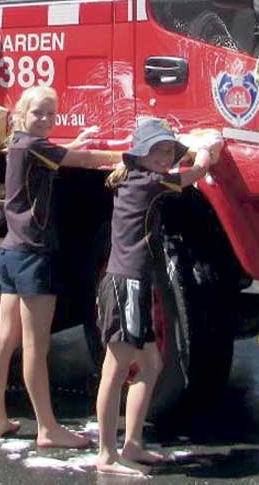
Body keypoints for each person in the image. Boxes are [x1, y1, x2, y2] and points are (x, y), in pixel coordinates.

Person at [0, 86, 122, 447]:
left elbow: (58, 156)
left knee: (5, 337)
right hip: (33, 255)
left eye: (50, 113)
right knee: (34, 345)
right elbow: (85, 162)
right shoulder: (33, 146)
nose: (45, 119)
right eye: (38, 114)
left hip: (12, 252)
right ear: (22, 115)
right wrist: (134, 155)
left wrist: (76, 140)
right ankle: (47, 428)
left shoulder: (20, 144)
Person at [95, 119, 222, 476]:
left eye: (169, 150)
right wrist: (209, 150)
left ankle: (132, 442)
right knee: (115, 369)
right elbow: (194, 172)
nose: (166, 157)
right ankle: (106, 453)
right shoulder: (149, 182)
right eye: (159, 150)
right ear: (140, 155)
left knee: (150, 365)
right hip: (126, 285)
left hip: (135, 282)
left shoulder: (134, 177)